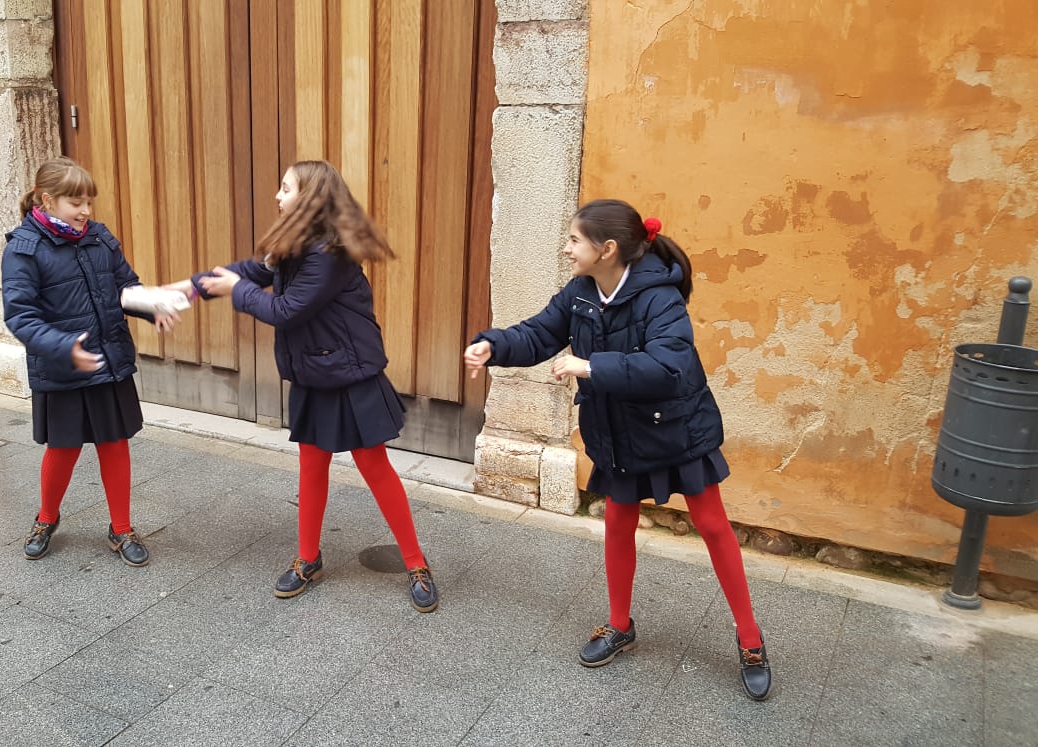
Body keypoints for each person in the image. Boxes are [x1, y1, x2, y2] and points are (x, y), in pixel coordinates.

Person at [463, 199, 773, 700]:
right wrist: (493, 346)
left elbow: (668, 367)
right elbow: (540, 333)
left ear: (606, 249)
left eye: (573, 240)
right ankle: (618, 624)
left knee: (713, 526)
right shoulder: (583, 292)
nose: (566, 249)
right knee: (617, 522)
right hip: (618, 431)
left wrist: (590, 367)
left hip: (676, 427)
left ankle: (751, 639)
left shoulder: (660, 297)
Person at [161, 160, 439, 612]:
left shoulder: (329, 252)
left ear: (309, 197)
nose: (277, 195)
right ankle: (308, 558)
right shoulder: (293, 241)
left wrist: (236, 290)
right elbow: (248, 272)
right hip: (314, 371)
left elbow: (287, 310)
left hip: (351, 374)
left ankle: (415, 562)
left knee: (375, 468)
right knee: (312, 466)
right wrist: (185, 290)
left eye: (285, 188)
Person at [2, 157, 176, 567]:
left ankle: (121, 527)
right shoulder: (24, 249)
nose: (85, 212)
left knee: (114, 445)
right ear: (47, 200)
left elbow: (125, 286)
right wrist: (64, 348)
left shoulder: (98, 238)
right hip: (63, 367)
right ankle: (46, 518)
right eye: (75, 202)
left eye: (88, 203)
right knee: (62, 449)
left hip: (107, 359)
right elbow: (20, 316)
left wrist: (152, 306)